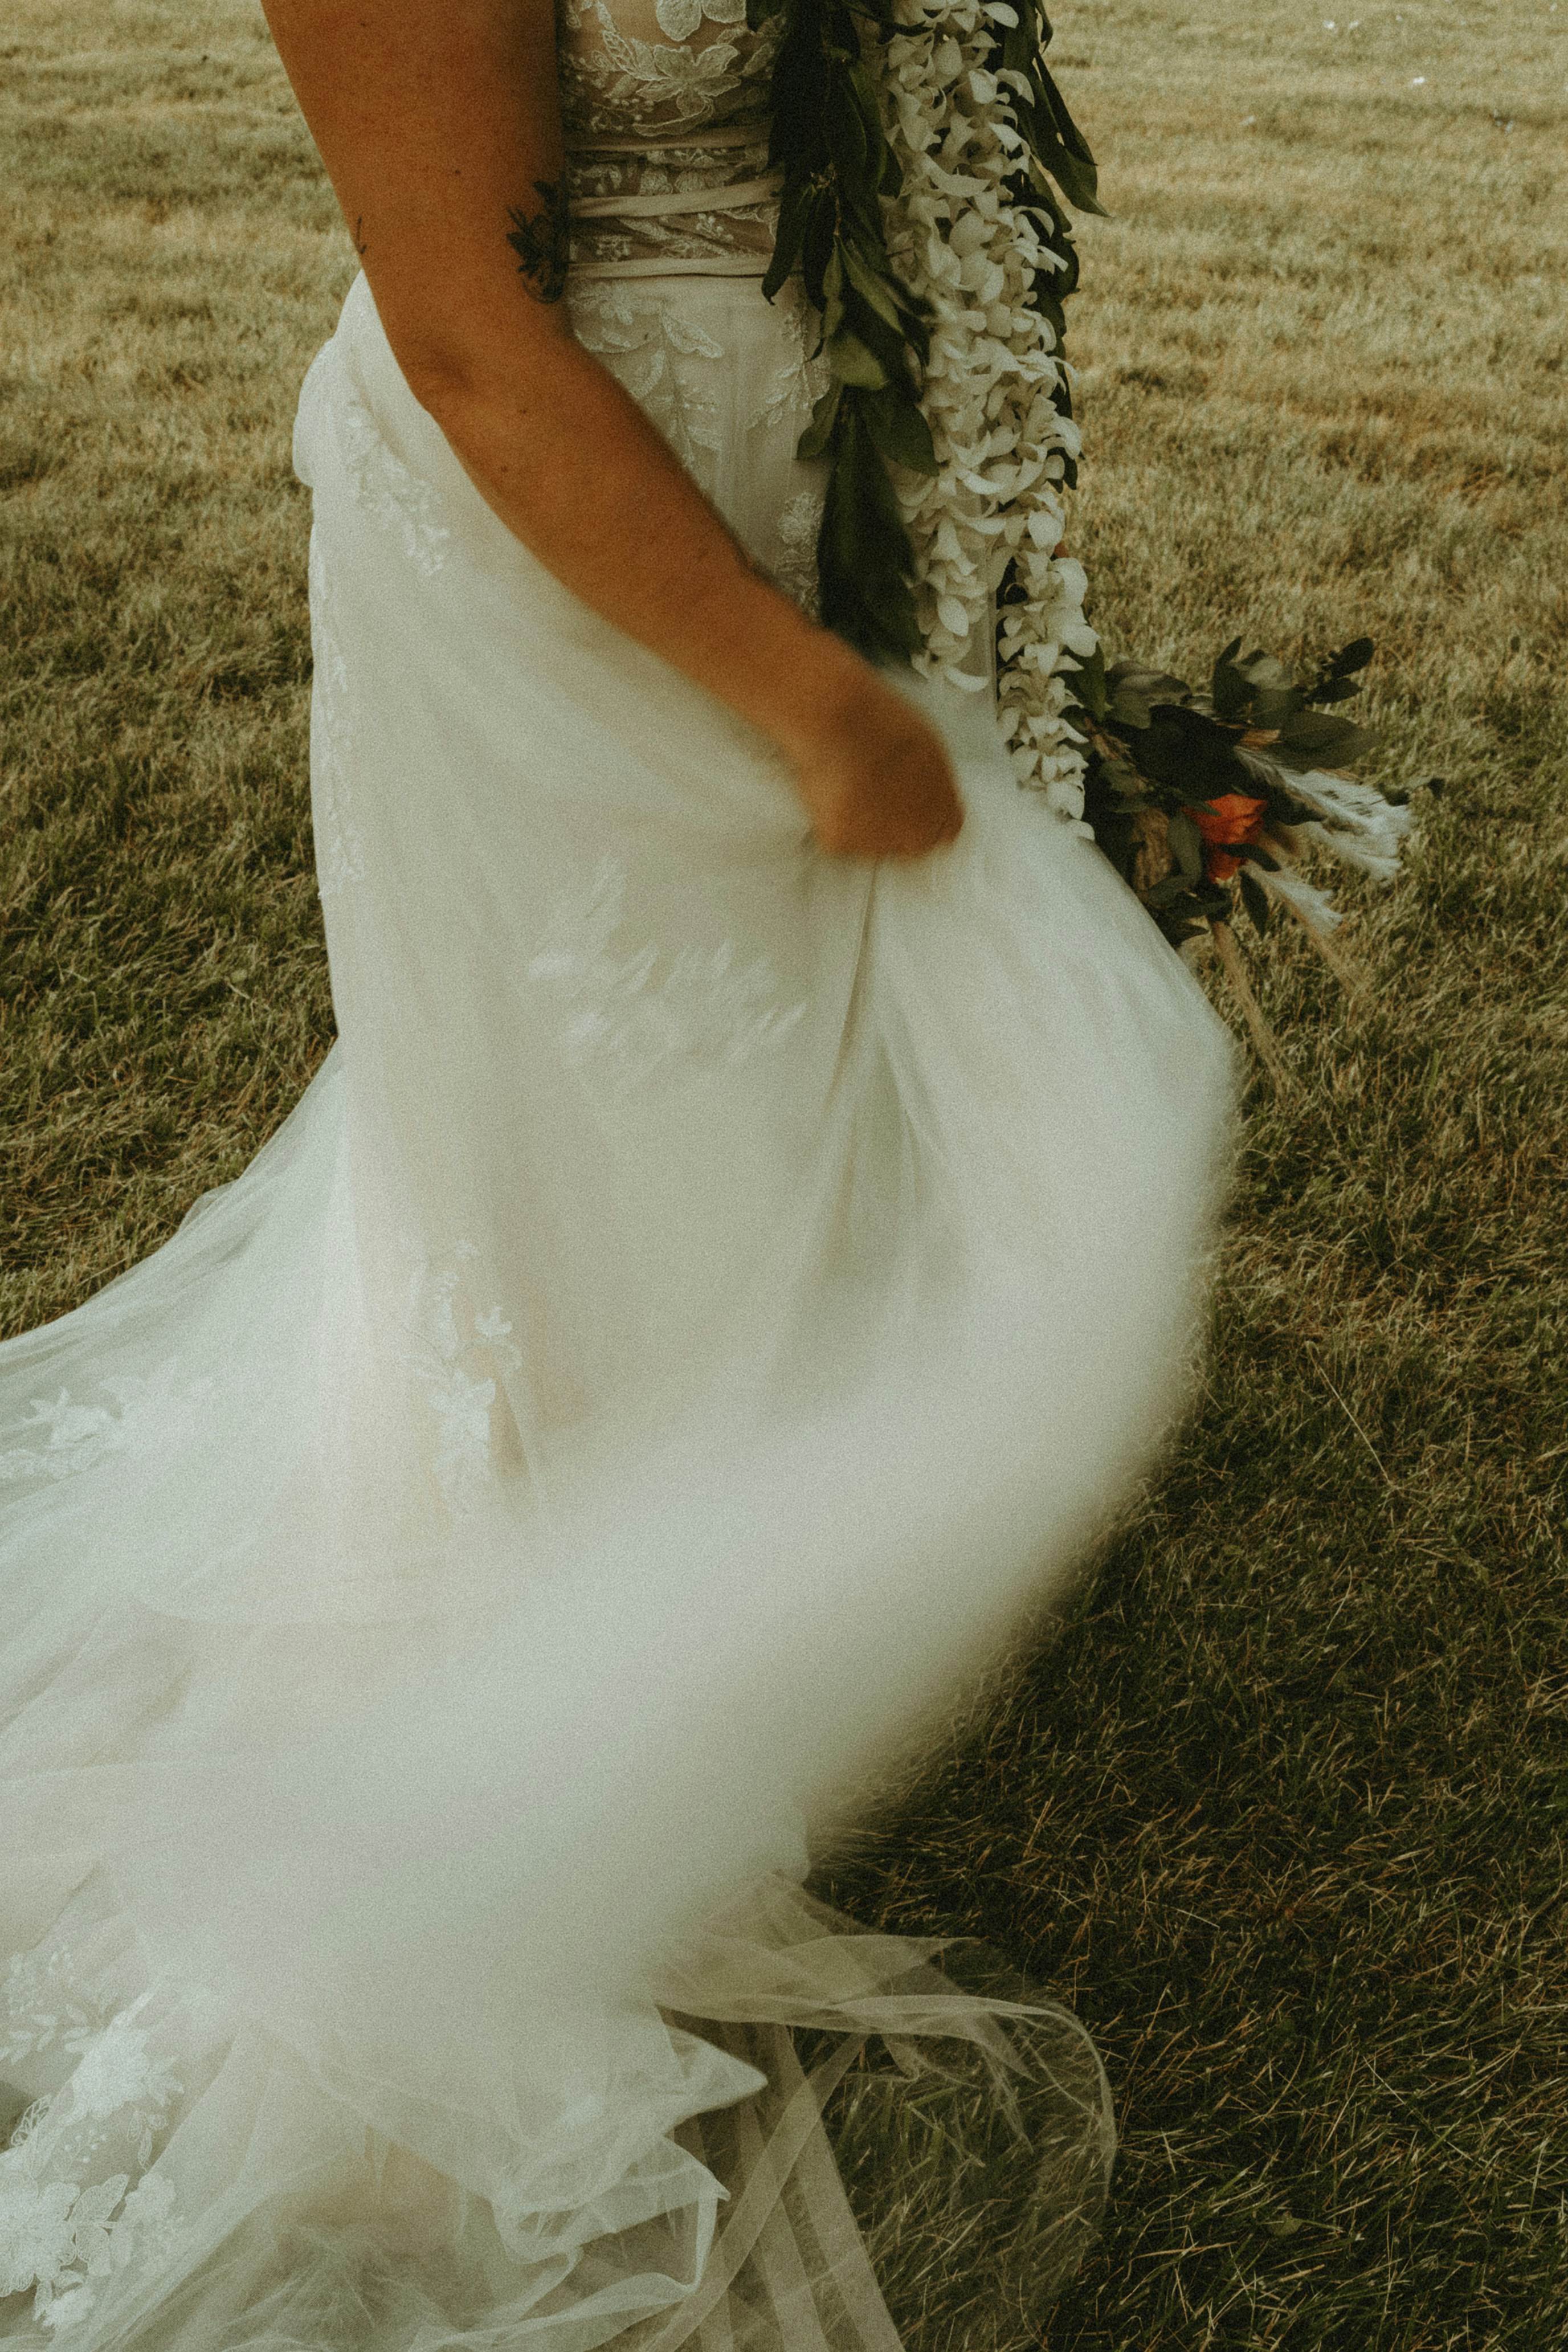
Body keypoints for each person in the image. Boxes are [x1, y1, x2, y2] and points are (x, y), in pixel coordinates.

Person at [0, 2, 1236, 2345]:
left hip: (799, 476)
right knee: (582, 1133)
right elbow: (469, 335)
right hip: (555, 531)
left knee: (720, 1139)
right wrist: (812, 702)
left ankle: (646, 1558)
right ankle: (501, 1655)